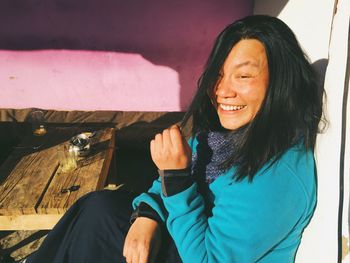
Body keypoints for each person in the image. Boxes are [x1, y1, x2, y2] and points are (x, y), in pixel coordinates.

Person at [25, 15, 324, 263]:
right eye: (218, 75)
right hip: (182, 239)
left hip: (197, 254)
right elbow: (163, 188)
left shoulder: (277, 175)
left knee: (99, 226)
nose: (222, 91)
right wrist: (147, 215)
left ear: (281, 82)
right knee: (98, 206)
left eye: (243, 77)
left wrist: (176, 178)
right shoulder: (225, 137)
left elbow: (207, 258)